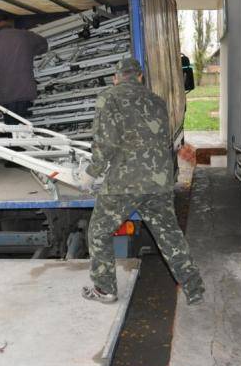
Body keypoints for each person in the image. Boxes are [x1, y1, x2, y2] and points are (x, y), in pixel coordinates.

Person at [80, 58, 205, 305]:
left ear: (116, 78)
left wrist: (91, 173)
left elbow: (106, 142)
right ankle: (194, 289)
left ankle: (105, 289)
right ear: (139, 77)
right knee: (170, 236)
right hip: (159, 182)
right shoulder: (157, 101)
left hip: (125, 183)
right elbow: (163, 140)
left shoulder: (108, 98)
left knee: (99, 231)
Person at [0, 14, 48, 123]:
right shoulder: (25, 35)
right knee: (24, 122)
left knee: (11, 125)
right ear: (8, 23)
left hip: (5, 91)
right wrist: (31, 52)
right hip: (25, 88)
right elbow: (44, 45)